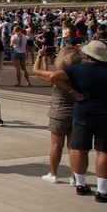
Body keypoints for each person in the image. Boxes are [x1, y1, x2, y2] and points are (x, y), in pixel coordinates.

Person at [45, 40, 107, 200]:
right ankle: (102, 189)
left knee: (80, 149)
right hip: (103, 114)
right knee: (103, 151)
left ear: (87, 55)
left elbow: (54, 77)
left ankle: (80, 184)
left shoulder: (77, 69)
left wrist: (72, 91)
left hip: (83, 113)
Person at [33, 48, 82, 183]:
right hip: (75, 112)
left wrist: (40, 57)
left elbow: (36, 72)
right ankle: (75, 177)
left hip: (58, 112)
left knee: (56, 145)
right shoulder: (81, 76)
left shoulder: (56, 75)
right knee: (73, 146)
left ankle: (53, 174)